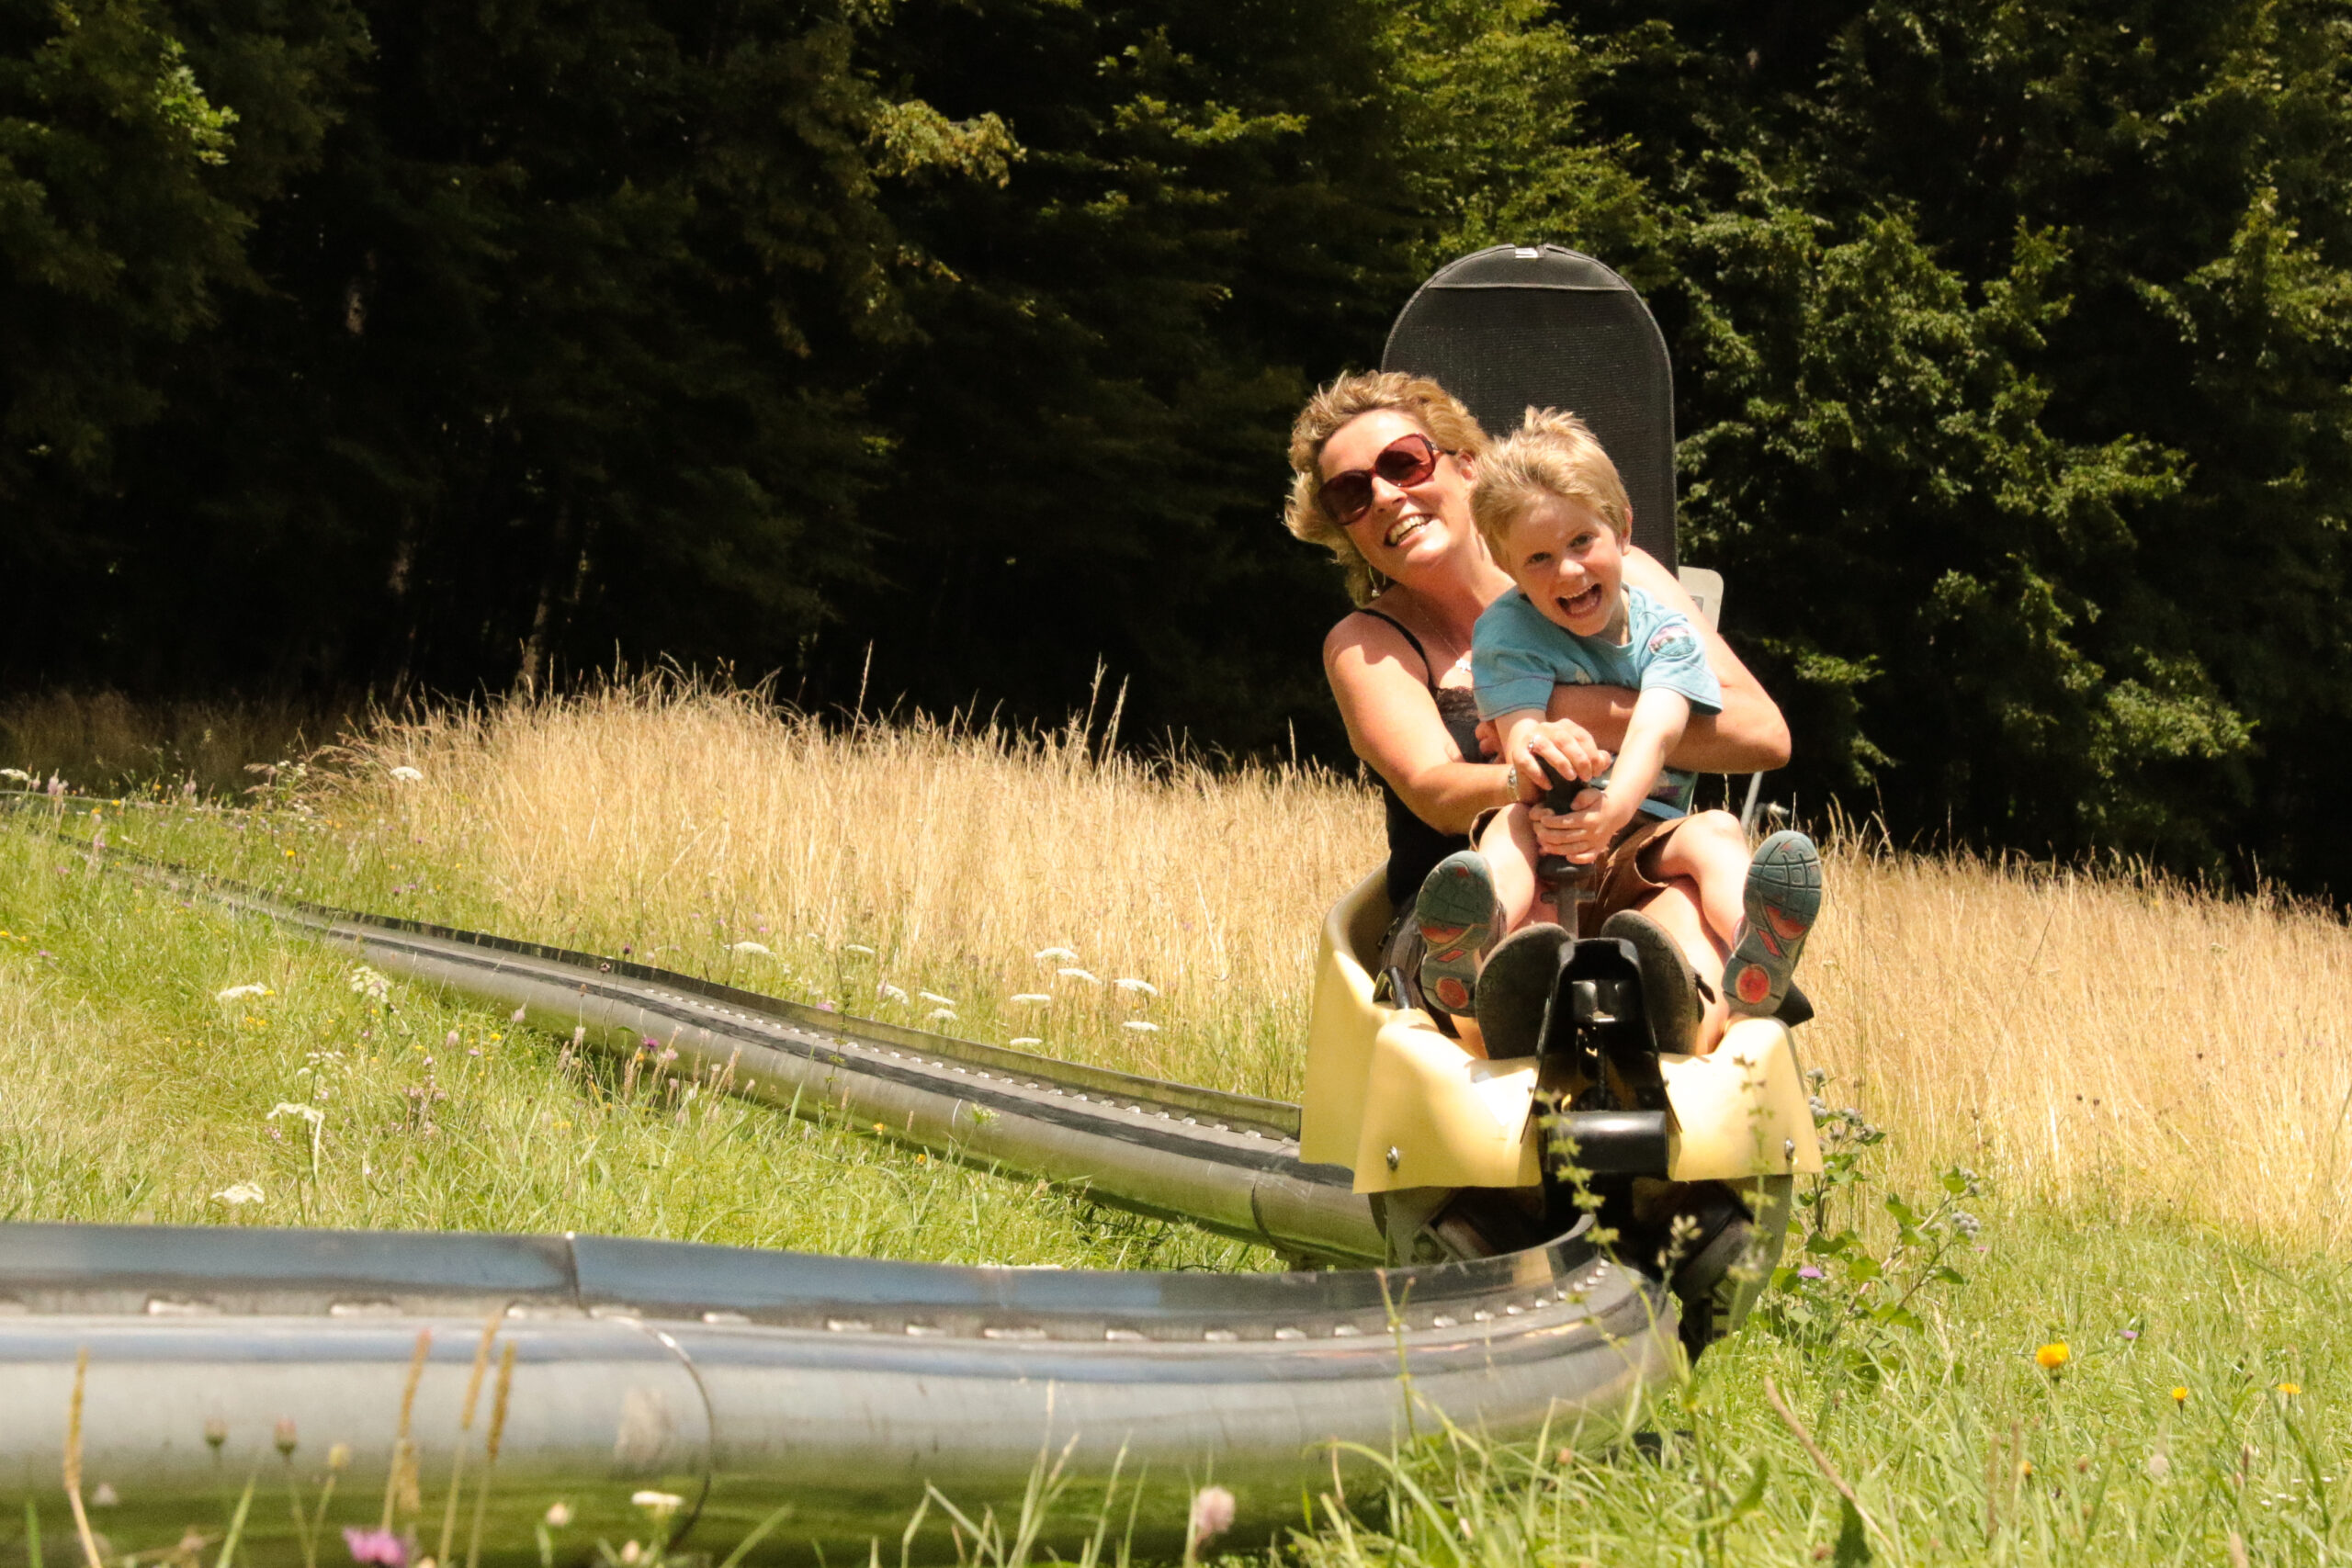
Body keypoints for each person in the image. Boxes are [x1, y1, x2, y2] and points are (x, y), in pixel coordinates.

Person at [1283, 371, 1792, 1051]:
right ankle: (1497, 998)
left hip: (1628, 876)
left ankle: (1677, 1021)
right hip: (1480, 897)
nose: (1384, 495)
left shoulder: (1617, 573)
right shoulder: (1368, 644)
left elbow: (1762, 733)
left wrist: (1571, 710)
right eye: (1351, 492)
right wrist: (1539, 776)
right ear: (1344, 526)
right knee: (1532, 917)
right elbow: (1435, 792)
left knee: (1685, 905)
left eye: (1404, 462)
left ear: (1468, 466)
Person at [1408, 408, 1820, 1055]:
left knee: (1716, 831)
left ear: (1622, 530)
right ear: (1510, 568)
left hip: (1642, 834)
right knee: (1507, 828)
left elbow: (1656, 732)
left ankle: (1757, 945)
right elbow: (1518, 734)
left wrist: (1613, 812)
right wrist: (1539, 747)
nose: (1567, 571)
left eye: (1581, 543)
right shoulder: (1507, 631)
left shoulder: (1669, 635)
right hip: (1549, 827)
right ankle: (1476, 948)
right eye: (1538, 558)